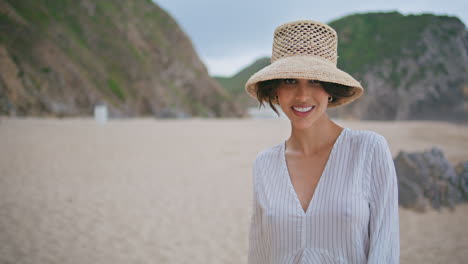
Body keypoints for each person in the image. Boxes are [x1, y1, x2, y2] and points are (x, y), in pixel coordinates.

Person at [244, 20, 400, 263]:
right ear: (275, 90)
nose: (302, 95)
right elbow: (260, 254)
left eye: (315, 80)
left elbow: (385, 249)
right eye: (289, 81)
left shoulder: (369, 150)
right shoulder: (264, 163)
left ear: (330, 88)